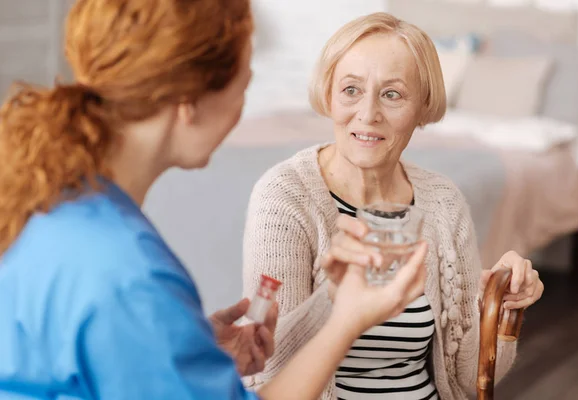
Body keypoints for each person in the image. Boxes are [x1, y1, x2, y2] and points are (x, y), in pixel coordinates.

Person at [0, 2, 430, 399]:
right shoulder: (133, 280)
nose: (244, 105)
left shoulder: (50, 203)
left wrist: (192, 350)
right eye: (245, 84)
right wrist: (346, 322)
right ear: (189, 102)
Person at [242, 12, 544, 400]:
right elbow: (270, 372)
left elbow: (468, 380)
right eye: (351, 89)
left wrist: (503, 309)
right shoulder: (285, 199)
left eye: (392, 94)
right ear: (329, 95)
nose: (368, 114)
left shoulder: (443, 203)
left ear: (423, 107)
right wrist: (336, 300)